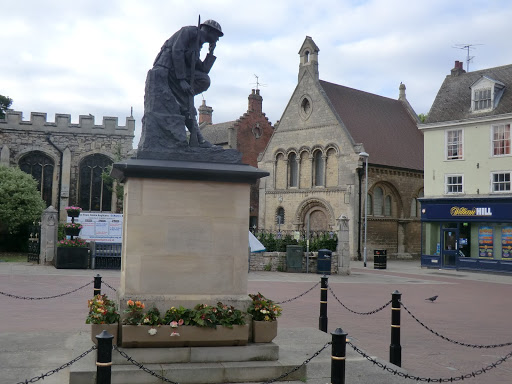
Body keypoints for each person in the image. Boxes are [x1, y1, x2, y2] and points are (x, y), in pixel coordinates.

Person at [138, 19, 223, 154]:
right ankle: (199, 139)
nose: (217, 40)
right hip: (167, 69)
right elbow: (176, 51)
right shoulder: (189, 32)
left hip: (176, 72)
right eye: (217, 36)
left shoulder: (198, 44)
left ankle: (197, 135)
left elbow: (201, 69)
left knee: (203, 81)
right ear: (209, 31)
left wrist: (211, 53)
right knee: (188, 103)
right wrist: (182, 80)